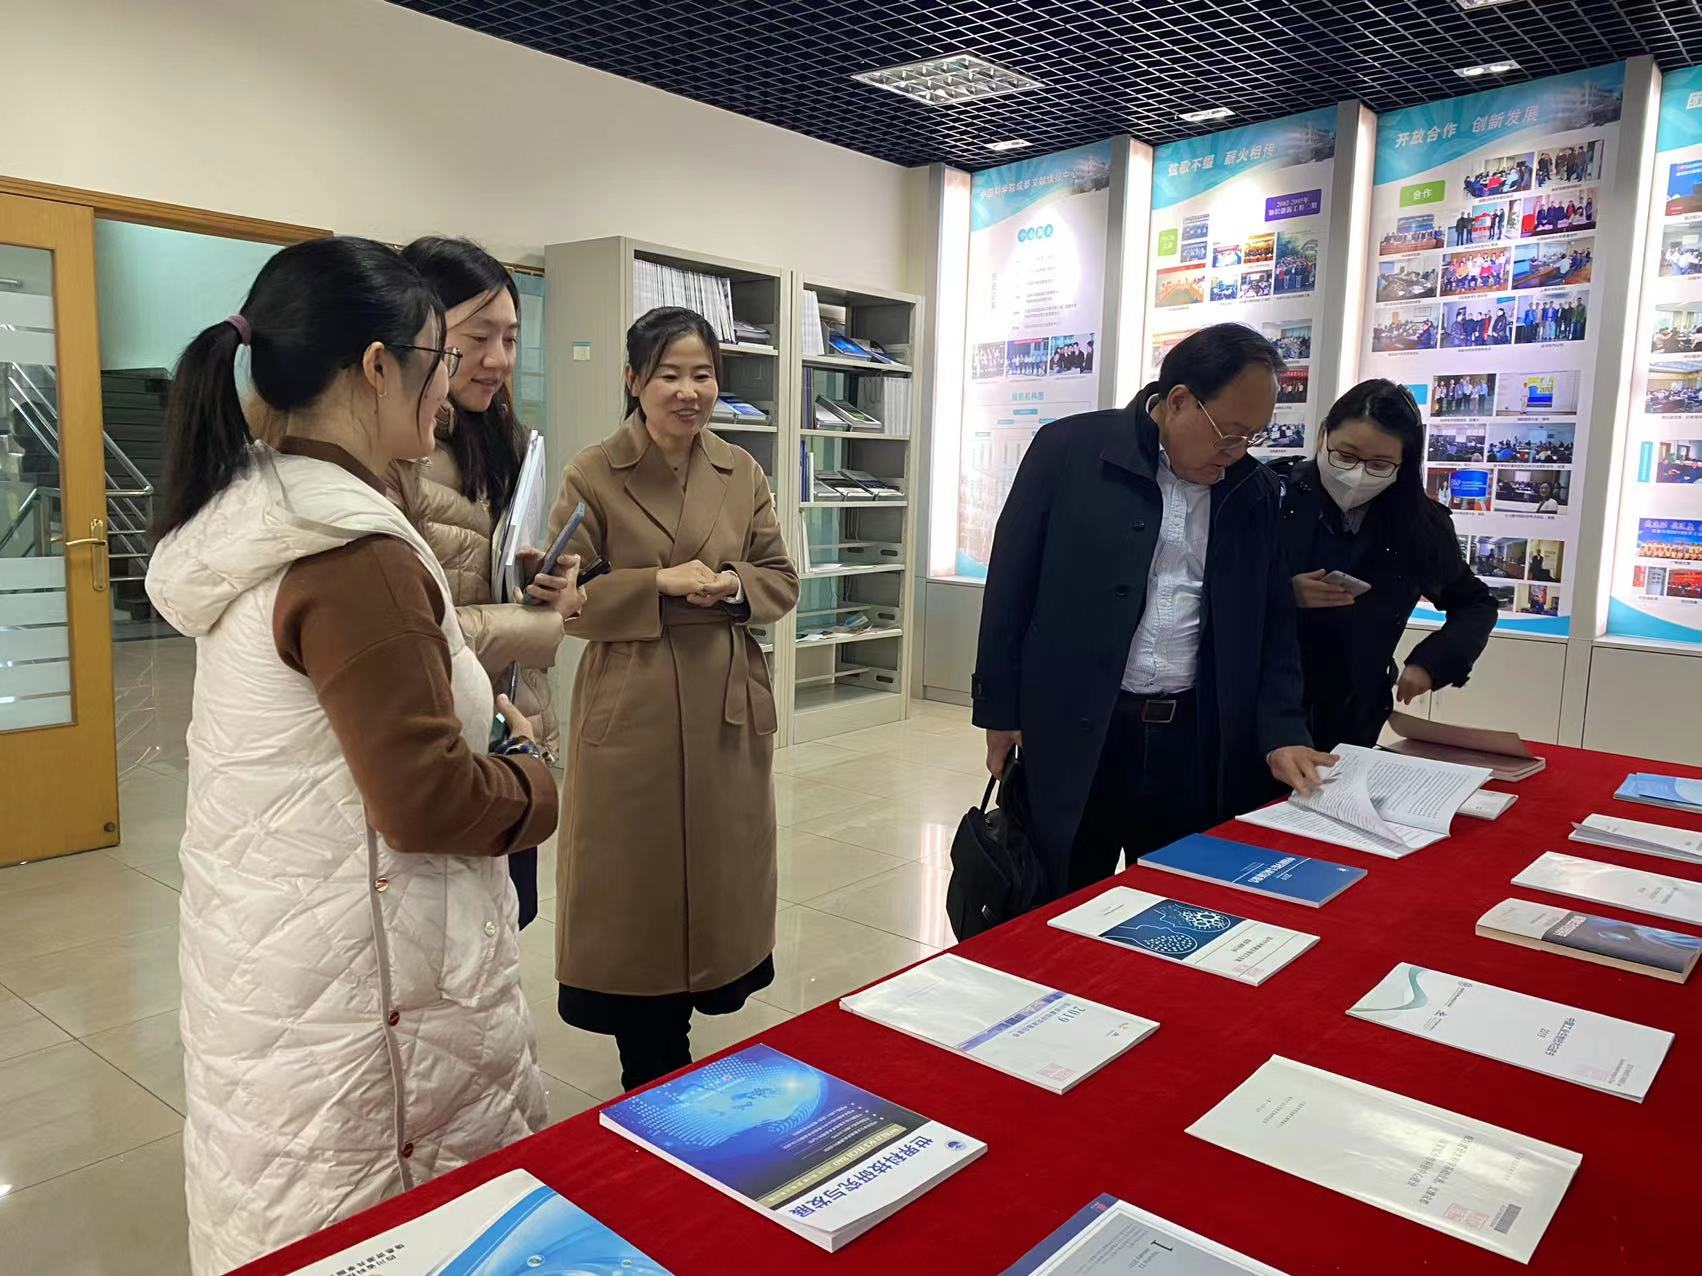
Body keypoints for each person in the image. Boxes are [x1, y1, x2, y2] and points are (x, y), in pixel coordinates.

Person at [144, 238, 567, 1275]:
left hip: (287, 966)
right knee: (393, 1234)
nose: (452, 388)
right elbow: (424, 801)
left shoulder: (255, 508)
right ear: (379, 367)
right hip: (369, 1009)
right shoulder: (351, 550)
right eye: (441, 358)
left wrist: (473, 723)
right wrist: (534, 784)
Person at [973, 323, 1334, 898]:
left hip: (1193, 739)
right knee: (1062, 895)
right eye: (1230, 434)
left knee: (1178, 901)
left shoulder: (1254, 491)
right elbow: (1010, 584)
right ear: (1181, 401)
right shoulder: (1070, 452)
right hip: (1079, 727)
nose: (1238, 451)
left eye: (1253, 436)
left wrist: (1283, 730)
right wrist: (1000, 710)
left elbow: (1272, 625)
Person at [546, 307, 798, 1091]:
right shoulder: (593, 472)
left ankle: (692, 1026)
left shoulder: (741, 471)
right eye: (669, 375)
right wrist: (655, 581)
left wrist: (732, 586)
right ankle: (651, 1066)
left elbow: (780, 578)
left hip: (723, 697)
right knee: (635, 888)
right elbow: (563, 597)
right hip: (635, 699)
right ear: (633, 380)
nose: (689, 392)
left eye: (703, 375)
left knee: (719, 879)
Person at [388, 237, 573, 929]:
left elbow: (487, 574)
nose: (499, 359)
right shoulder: (395, 455)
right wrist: (533, 627)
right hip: (438, 734)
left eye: (512, 338)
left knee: (507, 919)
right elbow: (398, 626)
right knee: (445, 931)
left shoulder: (507, 443)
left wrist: (546, 582)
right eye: (478, 338)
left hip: (508, 724)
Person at [1272, 380, 1497, 751]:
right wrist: (1282, 592)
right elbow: (1216, 588)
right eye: (1345, 456)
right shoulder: (1274, 495)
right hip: (1264, 702)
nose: (1357, 474)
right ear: (1324, 436)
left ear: (1403, 463)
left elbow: (1475, 602)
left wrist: (1432, 662)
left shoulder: (1421, 524)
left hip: (1355, 711)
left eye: (1379, 464)